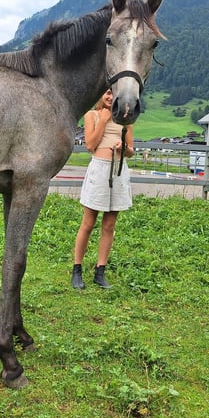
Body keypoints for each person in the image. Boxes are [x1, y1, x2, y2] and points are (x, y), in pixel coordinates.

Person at [72, 89, 134, 289]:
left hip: (118, 171)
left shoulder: (126, 119)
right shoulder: (92, 115)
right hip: (99, 170)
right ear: (99, 95)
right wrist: (105, 120)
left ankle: (100, 271)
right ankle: (77, 269)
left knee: (109, 225)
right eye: (107, 93)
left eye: (113, 94)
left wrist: (123, 146)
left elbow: (131, 151)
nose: (110, 97)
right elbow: (90, 144)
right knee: (88, 223)